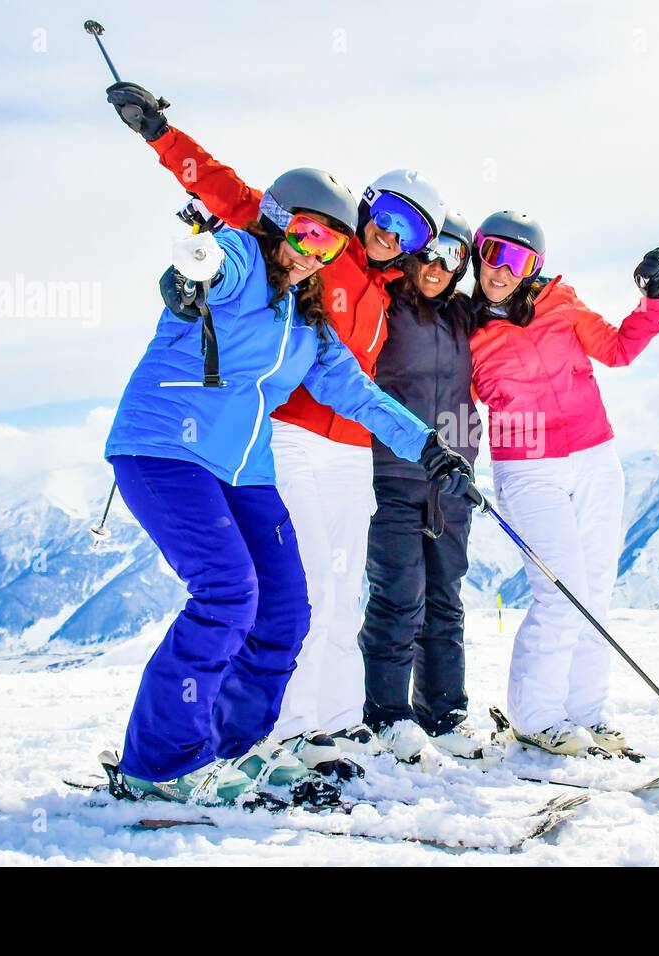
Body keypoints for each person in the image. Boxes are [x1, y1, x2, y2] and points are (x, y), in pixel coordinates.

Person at [102, 159, 473, 803]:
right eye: (304, 233)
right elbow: (212, 261)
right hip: (165, 451)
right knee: (225, 593)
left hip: (245, 471)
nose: (313, 253)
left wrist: (430, 449)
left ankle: (237, 750)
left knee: (285, 611)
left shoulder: (307, 323)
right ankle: (157, 763)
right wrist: (191, 274)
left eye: (329, 242)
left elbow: (356, 392)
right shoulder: (243, 259)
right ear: (277, 222)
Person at [466, 211, 659, 756]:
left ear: (535, 267)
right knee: (562, 593)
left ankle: (588, 714)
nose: (501, 269)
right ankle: (537, 717)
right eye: (492, 253)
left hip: (595, 456)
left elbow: (618, 350)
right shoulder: (463, 326)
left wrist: (653, 299)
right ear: (477, 252)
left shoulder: (562, 304)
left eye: (518, 260)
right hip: (528, 467)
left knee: (596, 593)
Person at [357, 211, 501, 762]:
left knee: (445, 598)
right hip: (391, 472)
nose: (438, 266)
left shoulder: (466, 318)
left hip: (453, 480)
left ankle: (443, 713)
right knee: (398, 596)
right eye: (431, 251)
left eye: (453, 256)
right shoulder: (386, 303)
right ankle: (387, 715)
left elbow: (521, 298)